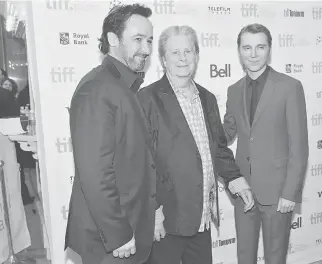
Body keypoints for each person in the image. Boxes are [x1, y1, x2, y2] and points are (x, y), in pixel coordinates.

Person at [137, 25, 254, 264]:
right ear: (163, 59)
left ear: (197, 56)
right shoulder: (147, 99)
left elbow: (218, 148)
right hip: (166, 219)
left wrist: (235, 179)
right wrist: (152, 211)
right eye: (175, 52)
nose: (182, 58)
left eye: (188, 51)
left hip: (201, 216)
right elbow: (140, 162)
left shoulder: (207, 98)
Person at [64, 4, 156, 264]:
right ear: (113, 39)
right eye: (137, 39)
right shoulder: (97, 88)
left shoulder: (124, 86)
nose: (147, 49)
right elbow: (95, 173)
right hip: (111, 242)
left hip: (130, 228)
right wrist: (118, 235)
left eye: (149, 40)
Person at [223, 23, 309, 264]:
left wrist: (290, 193)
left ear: (269, 50)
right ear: (239, 50)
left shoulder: (289, 87)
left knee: (275, 257)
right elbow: (227, 133)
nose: (253, 54)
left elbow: (299, 146)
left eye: (260, 47)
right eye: (247, 47)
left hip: (278, 191)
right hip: (244, 191)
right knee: (244, 256)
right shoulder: (233, 90)